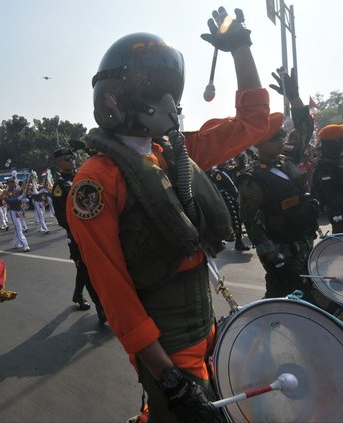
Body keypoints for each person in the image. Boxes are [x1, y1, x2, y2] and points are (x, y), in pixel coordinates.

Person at [67, 7, 271, 422]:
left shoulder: (176, 153)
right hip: (166, 341)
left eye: (167, 86)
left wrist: (241, 51)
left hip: (203, 323)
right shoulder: (97, 181)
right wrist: (168, 378)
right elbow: (114, 292)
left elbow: (254, 122)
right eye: (151, 86)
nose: (166, 99)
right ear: (114, 98)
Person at [238, 67, 318, 302]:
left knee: (301, 298)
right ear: (259, 144)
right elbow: (252, 224)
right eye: (275, 138)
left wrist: (294, 97)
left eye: (282, 136)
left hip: (304, 242)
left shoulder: (289, 160)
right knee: (283, 296)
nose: (282, 140)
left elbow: (305, 129)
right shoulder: (251, 178)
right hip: (282, 251)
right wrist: (273, 258)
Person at [52, 146, 105, 320]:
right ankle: (100, 307)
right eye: (66, 158)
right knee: (87, 269)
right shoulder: (60, 186)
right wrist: (77, 231)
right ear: (58, 163)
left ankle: (77, 295)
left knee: (84, 267)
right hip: (77, 235)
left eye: (72, 157)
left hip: (94, 230)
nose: (71, 160)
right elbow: (61, 216)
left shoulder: (82, 176)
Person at [310, 124, 343, 234]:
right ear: (334, 144)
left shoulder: (336, 162)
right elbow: (332, 197)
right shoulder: (325, 168)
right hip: (339, 216)